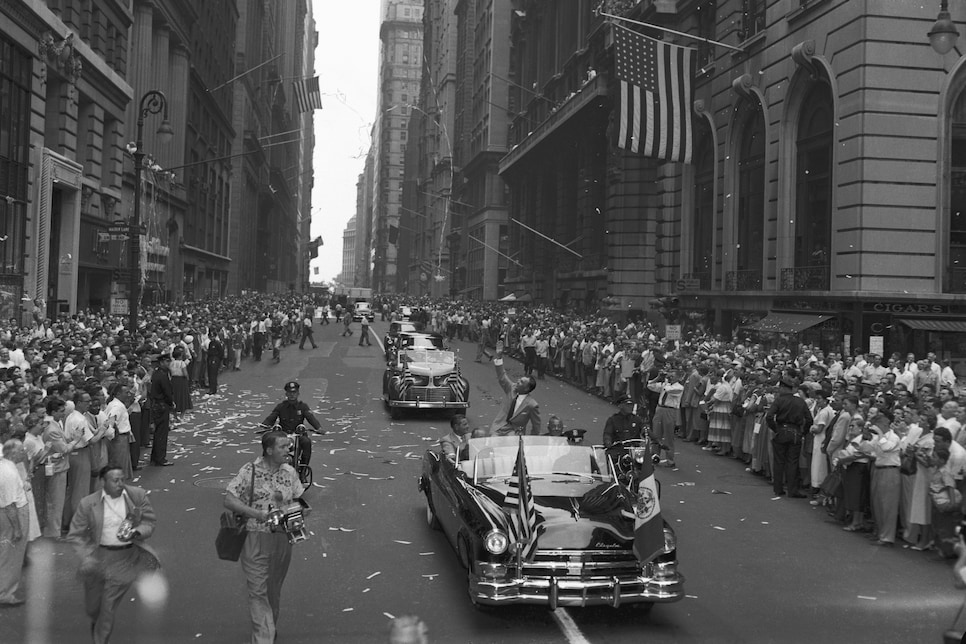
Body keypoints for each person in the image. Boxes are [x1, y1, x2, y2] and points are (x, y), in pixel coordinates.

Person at [225, 431, 305, 643]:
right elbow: (229, 500)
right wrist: (257, 514)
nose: (288, 450)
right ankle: (264, 638)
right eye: (283, 447)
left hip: (282, 540)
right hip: (254, 537)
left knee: (272, 591)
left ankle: (268, 628)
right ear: (269, 450)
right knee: (258, 591)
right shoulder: (249, 471)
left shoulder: (289, 472)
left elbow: (298, 500)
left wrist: (299, 512)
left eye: (288, 446)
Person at [68, 464, 160, 644]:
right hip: (97, 558)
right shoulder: (88, 503)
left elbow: (150, 522)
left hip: (125, 559)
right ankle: (97, 622)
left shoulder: (137, 496)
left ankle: (100, 639)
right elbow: (75, 535)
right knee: (93, 607)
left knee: (106, 607)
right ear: (103, 482)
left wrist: (137, 532)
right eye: (115, 480)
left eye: (122, 480)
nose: (120, 484)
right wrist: (86, 556)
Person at [765, 375, 814, 498]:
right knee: (792, 462)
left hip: (781, 431)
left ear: (783, 388)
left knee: (779, 461)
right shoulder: (800, 401)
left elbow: (769, 416)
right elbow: (809, 419)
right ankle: (792, 490)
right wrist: (803, 432)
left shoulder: (779, 400)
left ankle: (778, 488)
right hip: (795, 433)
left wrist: (776, 429)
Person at [261, 381, 324, 468]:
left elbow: (310, 417)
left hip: (298, 435)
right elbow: (272, 416)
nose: (292, 395)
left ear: (298, 393)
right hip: (283, 435)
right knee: (269, 441)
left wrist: (318, 427)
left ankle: (303, 469)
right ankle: (266, 466)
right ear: (286, 393)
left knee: (306, 442)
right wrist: (265, 425)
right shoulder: (281, 406)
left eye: (294, 392)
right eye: (290, 392)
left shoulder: (302, 406)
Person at [488, 341, 541, 436]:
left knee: (511, 445)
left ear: (526, 388)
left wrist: (532, 441)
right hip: (499, 426)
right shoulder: (511, 388)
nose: (517, 382)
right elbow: (502, 376)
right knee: (491, 444)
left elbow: (536, 425)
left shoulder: (532, 405)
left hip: (514, 432)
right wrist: (499, 357)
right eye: (519, 379)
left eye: (521, 382)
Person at [0, 439, 28, 606]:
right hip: (14, 515)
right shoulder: (8, 472)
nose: (24, 453)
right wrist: (17, 529)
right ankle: (5, 593)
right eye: (21, 451)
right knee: (12, 554)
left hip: (8, 513)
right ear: (13, 453)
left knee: (5, 552)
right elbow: (10, 506)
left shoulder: (8, 466)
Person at [647, 369, 684, 467]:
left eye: (672, 376)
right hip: (660, 408)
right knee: (656, 434)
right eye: (669, 375)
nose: (670, 377)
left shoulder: (679, 387)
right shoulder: (665, 384)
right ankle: (655, 456)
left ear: (678, 377)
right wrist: (658, 377)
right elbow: (650, 385)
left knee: (668, 436)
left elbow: (669, 390)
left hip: (670, 410)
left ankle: (670, 459)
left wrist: (665, 381)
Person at [148, 353, 176, 467]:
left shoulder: (156, 373)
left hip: (156, 404)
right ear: (161, 362)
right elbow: (167, 392)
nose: (168, 364)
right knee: (162, 433)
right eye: (166, 362)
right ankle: (160, 458)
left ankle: (155, 457)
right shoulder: (162, 375)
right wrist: (171, 403)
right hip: (161, 405)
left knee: (158, 432)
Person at [206, 330, 225, 395]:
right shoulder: (210, 343)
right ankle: (211, 387)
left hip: (215, 358)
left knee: (213, 374)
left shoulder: (217, 343)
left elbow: (221, 353)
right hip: (210, 359)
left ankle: (213, 389)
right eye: (210, 336)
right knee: (210, 374)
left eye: (213, 336)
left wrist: (219, 361)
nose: (211, 338)